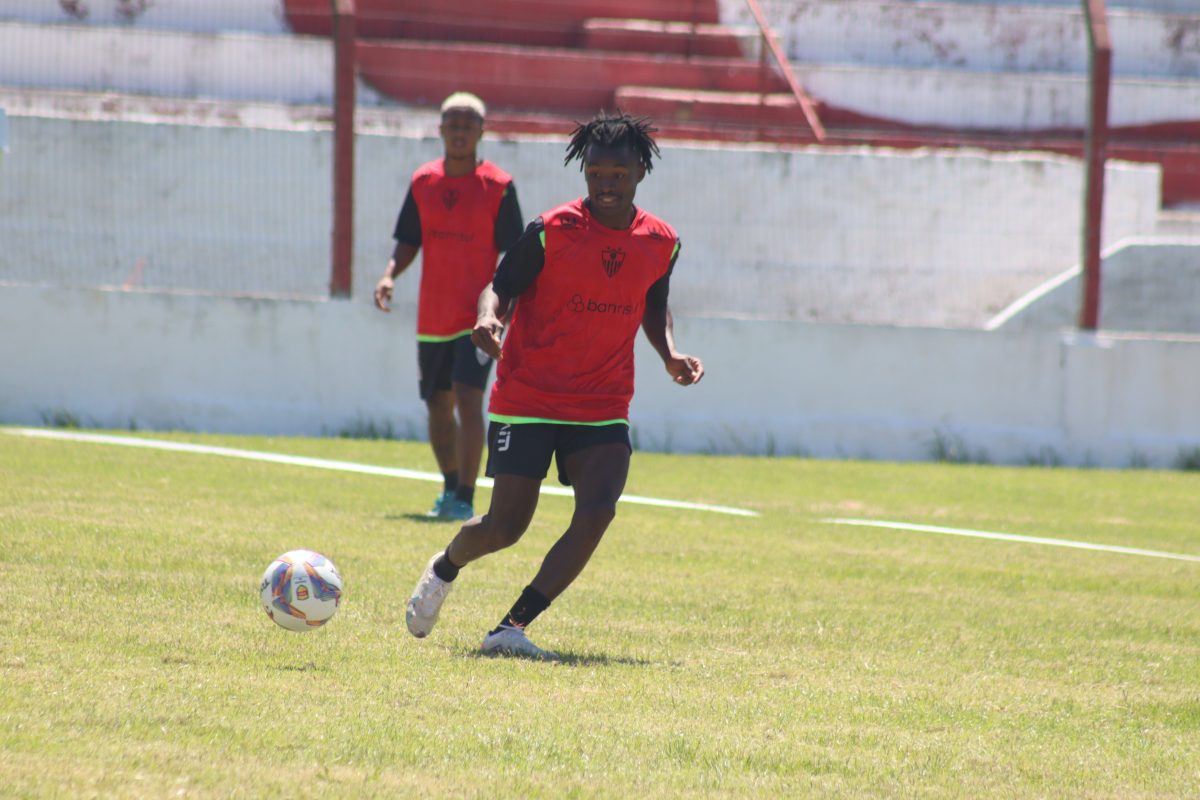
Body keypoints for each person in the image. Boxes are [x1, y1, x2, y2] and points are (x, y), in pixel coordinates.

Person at [403, 111, 705, 659]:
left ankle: (510, 628)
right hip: (529, 398)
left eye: (618, 175)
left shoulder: (662, 243)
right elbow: (499, 285)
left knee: (598, 510)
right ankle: (445, 567)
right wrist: (488, 317)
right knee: (505, 527)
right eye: (596, 174)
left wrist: (670, 353)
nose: (606, 185)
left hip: (603, 403)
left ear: (640, 171)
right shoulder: (552, 231)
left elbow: (654, 306)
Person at [375, 92, 524, 521]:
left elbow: (515, 255)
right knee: (437, 404)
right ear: (440, 130)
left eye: (467, 125)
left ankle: (466, 496)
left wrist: (504, 311)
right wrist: (389, 275)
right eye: (452, 124)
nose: (459, 132)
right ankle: (449, 486)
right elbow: (408, 240)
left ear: (481, 132)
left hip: (478, 319)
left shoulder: (498, 186)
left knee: (468, 397)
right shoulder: (423, 181)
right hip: (432, 318)